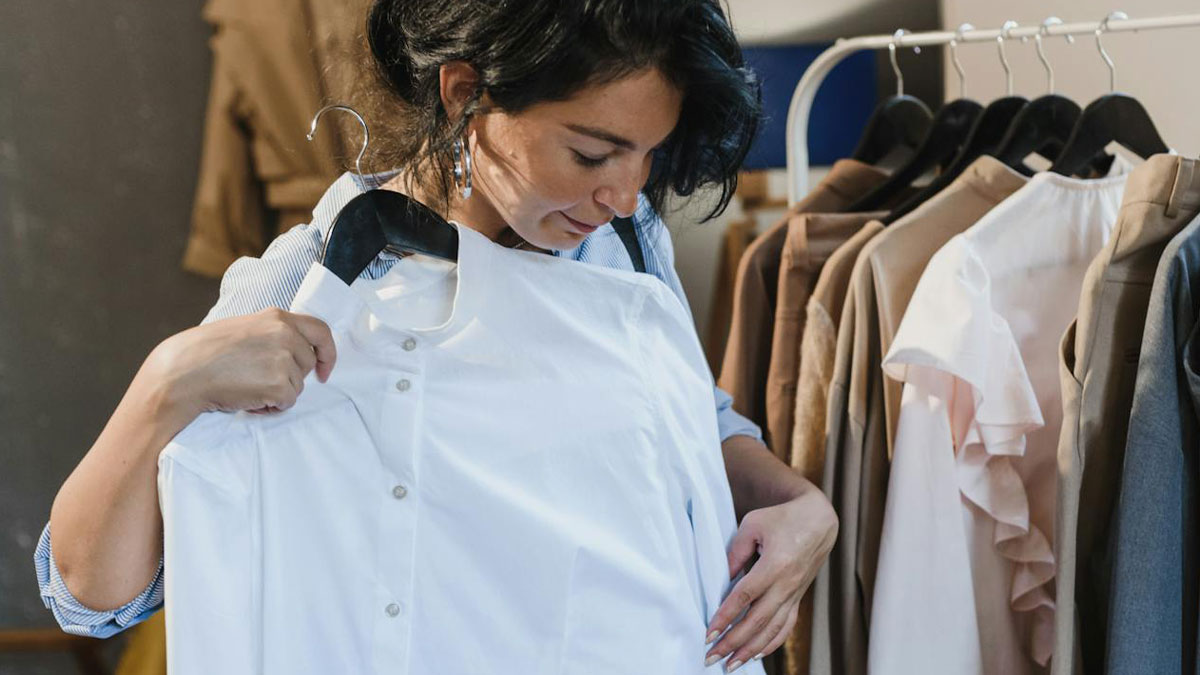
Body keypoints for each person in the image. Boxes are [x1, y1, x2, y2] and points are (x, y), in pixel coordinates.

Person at [37, 0, 837, 669]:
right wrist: (164, 386)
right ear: (465, 95)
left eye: (648, 156)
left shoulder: (622, 252)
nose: (625, 194)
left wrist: (800, 504)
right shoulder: (319, 280)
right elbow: (88, 597)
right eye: (593, 151)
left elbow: (697, 428)